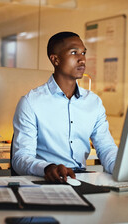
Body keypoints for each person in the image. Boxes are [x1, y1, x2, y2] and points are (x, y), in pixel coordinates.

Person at [12, 31, 118, 183]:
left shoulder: (94, 102)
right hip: (47, 180)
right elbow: (21, 158)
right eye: (74, 52)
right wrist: (47, 168)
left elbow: (107, 148)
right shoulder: (31, 102)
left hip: (82, 179)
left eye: (83, 53)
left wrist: (123, 170)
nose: (82, 59)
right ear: (55, 59)